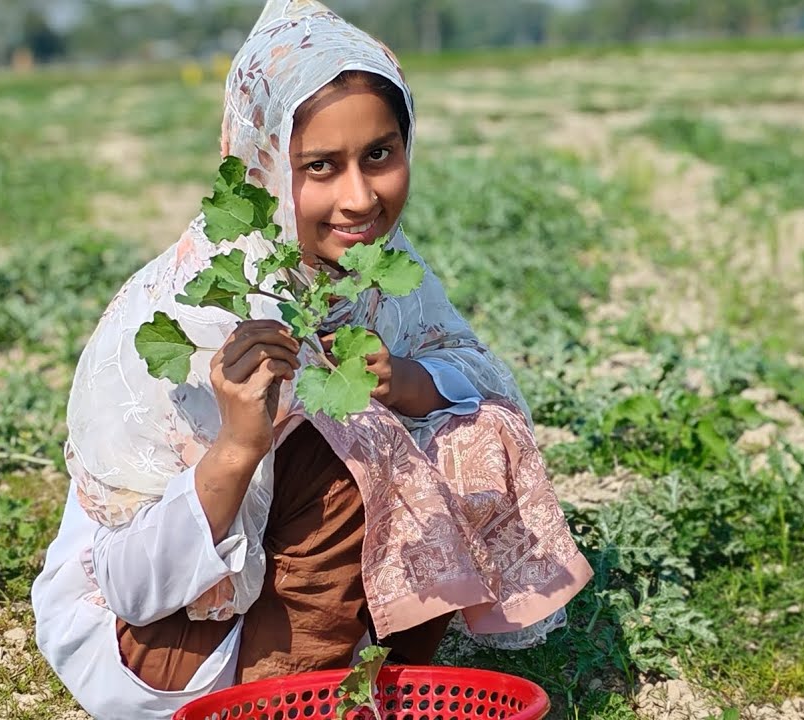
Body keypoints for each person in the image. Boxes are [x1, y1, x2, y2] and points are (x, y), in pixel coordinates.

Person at [31, 1, 593, 716]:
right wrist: (237, 447)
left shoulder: (387, 275)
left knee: (461, 427)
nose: (359, 198)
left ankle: (358, 688)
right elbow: (131, 588)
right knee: (343, 447)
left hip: (291, 605)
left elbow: (478, 384)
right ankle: (291, 701)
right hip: (164, 642)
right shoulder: (189, 311)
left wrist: (410, 384)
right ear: (261, 165)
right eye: (320, 167)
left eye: (380, 155)